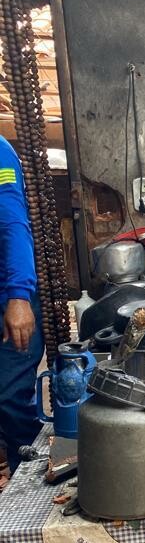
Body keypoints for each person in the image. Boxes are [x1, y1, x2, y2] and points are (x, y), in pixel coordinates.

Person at [0, 134, 43, 473]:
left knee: (10, 397)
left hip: (8, 299)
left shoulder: (0, 153)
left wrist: (18, 296)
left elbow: (12, 221)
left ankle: (28, 474)